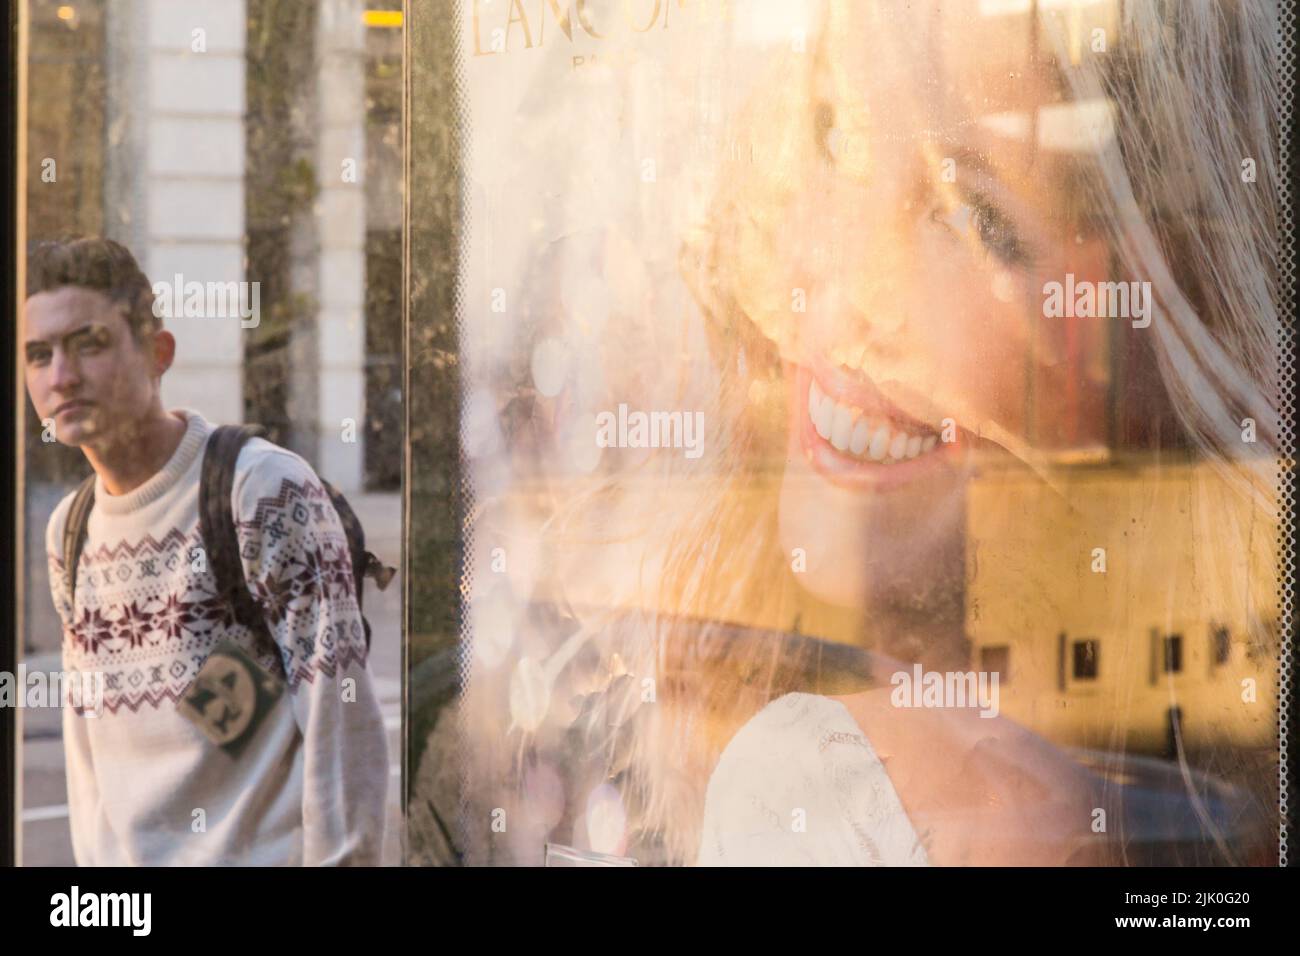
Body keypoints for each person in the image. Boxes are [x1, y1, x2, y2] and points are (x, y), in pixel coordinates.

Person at [440, 0, 1278, 866]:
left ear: (1168, 324)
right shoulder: (664, 679)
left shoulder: (855, 780)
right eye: (835, 135)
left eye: (976, 218)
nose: (826, 271)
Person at [23, 237, 389, 866]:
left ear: (157, 353)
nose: (61, 376)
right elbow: (89, 773)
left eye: (90, 343)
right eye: (39, 354)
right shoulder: (70, 531)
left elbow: (342, 727)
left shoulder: (261, 492)